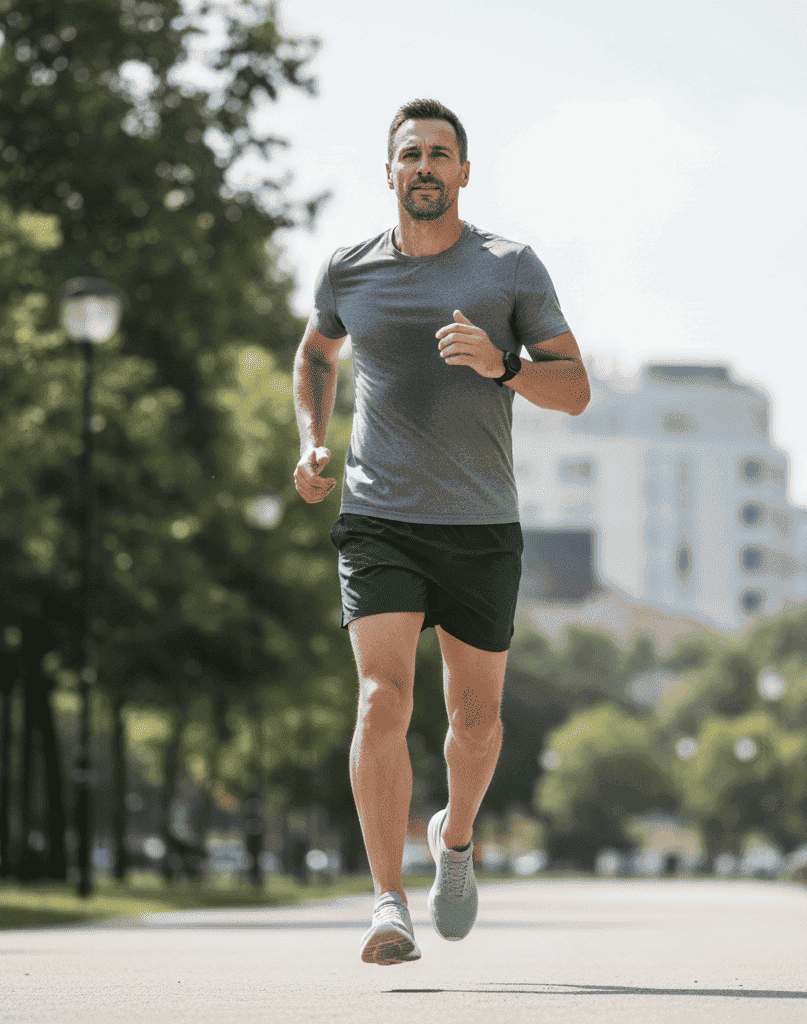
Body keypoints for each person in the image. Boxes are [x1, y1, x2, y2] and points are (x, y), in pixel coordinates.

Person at [292, 98, 590, 966]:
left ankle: (454, 839)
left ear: (464, 172)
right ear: (387, 173)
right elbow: (316, 353)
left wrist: (503, 365)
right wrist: (314, 440)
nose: (424, 166)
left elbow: (574, 389)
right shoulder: (349, 271)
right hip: (379, 517)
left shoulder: (509, 268)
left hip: (481, 524)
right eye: (409, 154)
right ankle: (387, 903)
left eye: (440, 154)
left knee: (477, 718)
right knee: (382, 697)